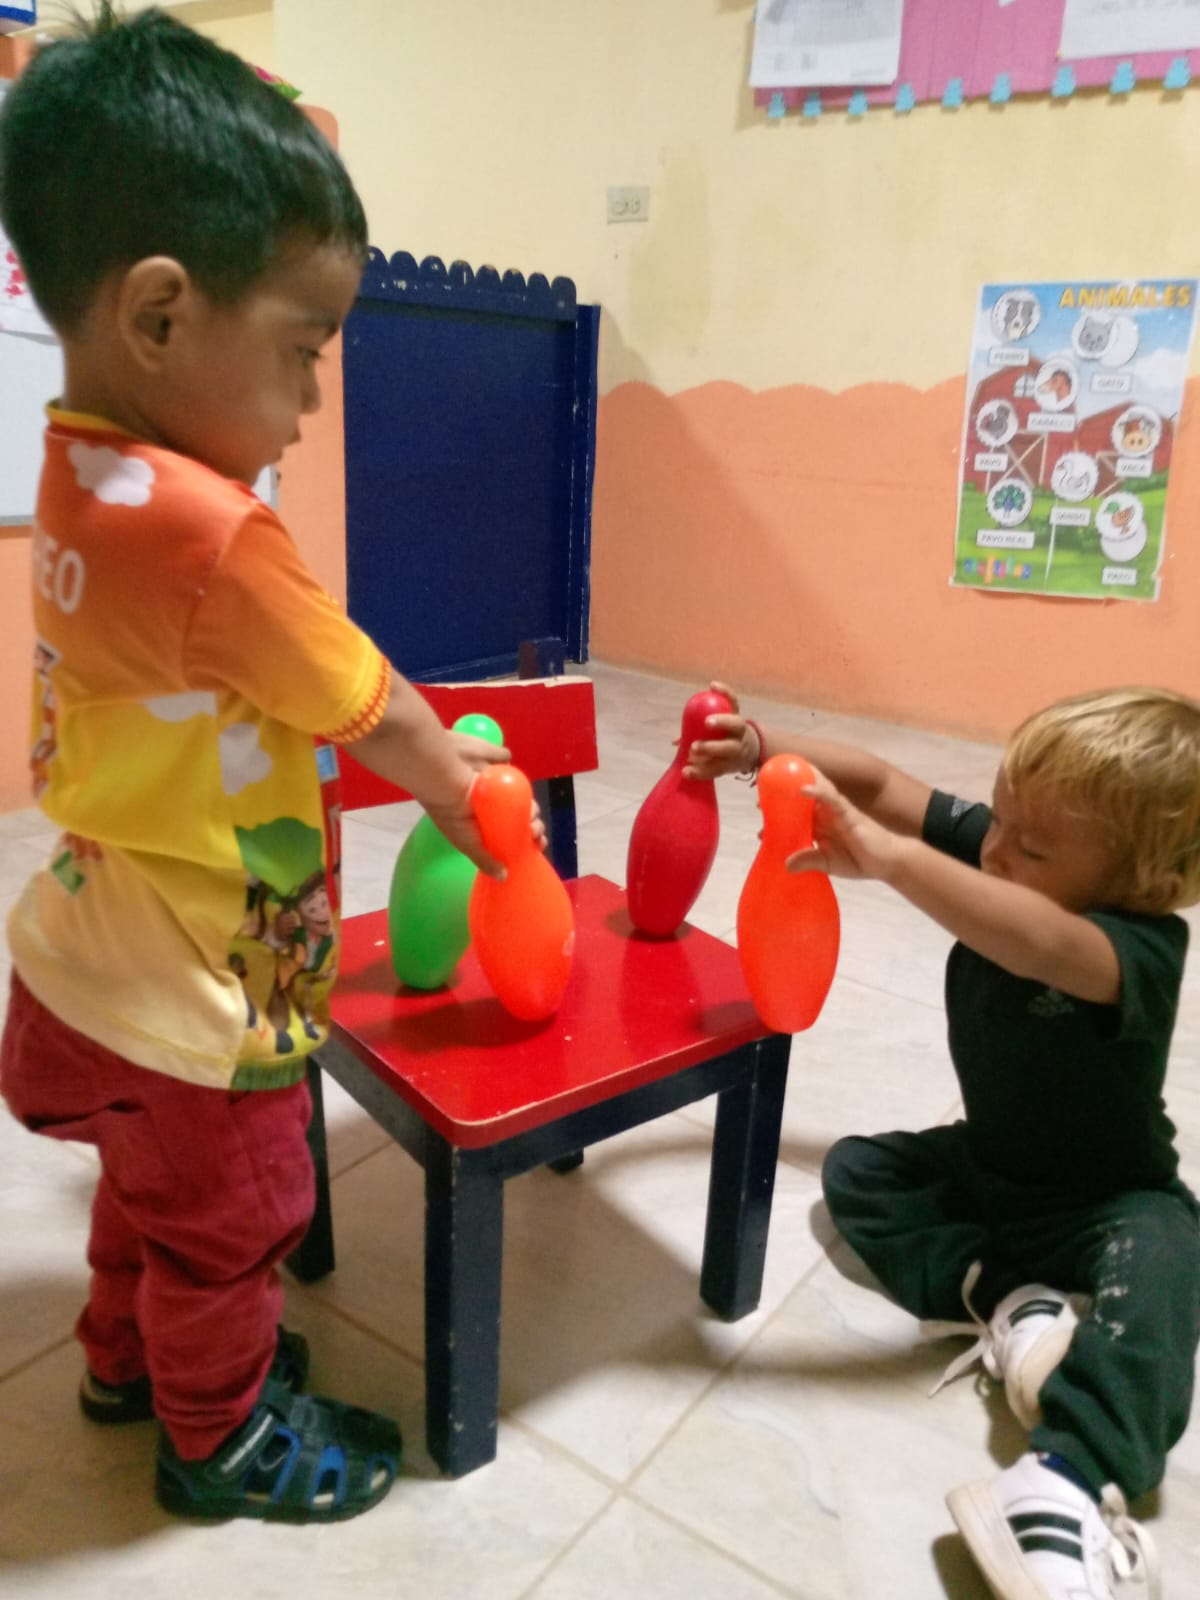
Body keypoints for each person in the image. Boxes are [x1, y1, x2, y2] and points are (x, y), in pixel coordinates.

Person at [0, 4, 517, 1523]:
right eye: (302, 352)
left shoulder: (79, 464)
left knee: (147, 1194)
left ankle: (126, 1362)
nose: (311, 400)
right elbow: (377, 707)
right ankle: (214, 1435)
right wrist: (472, 800)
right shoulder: (220, 535)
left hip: (88, 948)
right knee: (238, 1217)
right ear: (161, 317)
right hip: (203, 984)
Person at [687, 682, 1200, 1600]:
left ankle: (1066, 1481)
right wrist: (764, 748)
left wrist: (893, 862)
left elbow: (1040, 944)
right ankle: (1011, 1299)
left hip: (1108, 1203)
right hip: (988, 1171)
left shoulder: (1142, 948)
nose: (995, 849)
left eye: (1031, 846)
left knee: (1171, 1264)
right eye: (999, 820)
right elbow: (885, 787)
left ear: (1147, 885)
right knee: (860, 1171)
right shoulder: (1009, 857)